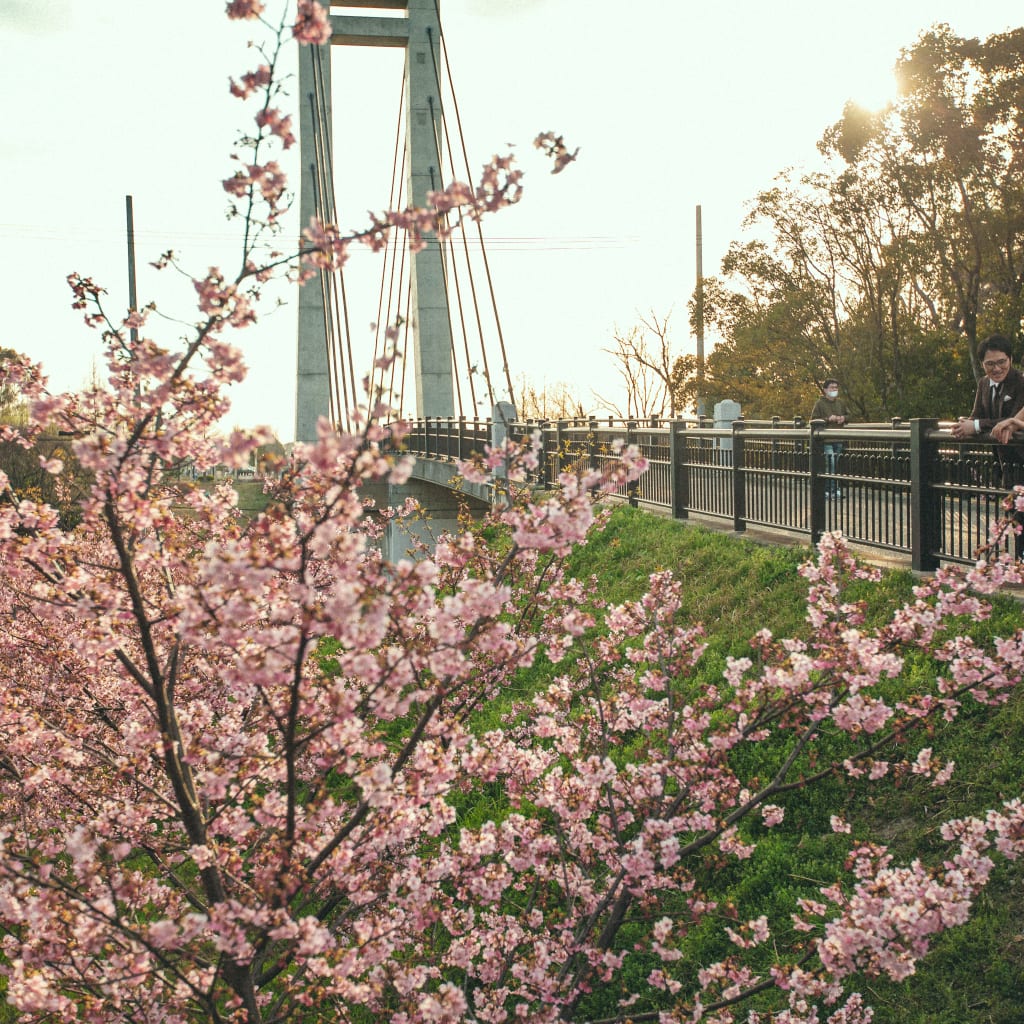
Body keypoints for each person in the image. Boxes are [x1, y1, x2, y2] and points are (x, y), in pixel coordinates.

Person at [810, 378, 850, 498]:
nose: (834, 390)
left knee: (835, 465)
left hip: (838, 438)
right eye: (832, 387)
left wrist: (844, 418)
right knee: (830, 464)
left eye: (836, 388)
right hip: (825, 440)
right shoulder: (819, 403)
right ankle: (829, 490)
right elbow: (813, 420)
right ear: (825, 389)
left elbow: (850, 414)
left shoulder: (841, 403)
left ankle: (833, 489)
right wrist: (828, 419)